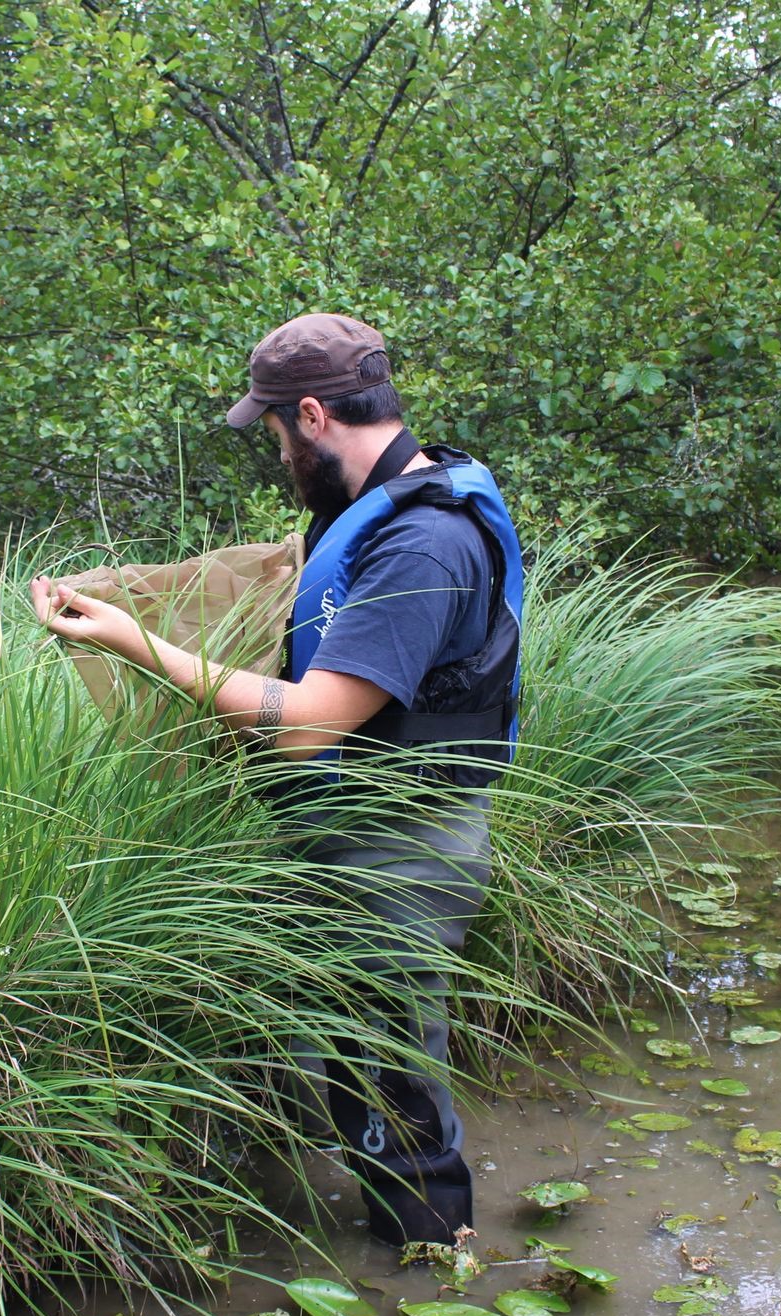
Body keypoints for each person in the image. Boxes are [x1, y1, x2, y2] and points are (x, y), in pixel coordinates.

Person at [28, 312, 523, 1247]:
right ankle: (344, 1219)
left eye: (274, 433)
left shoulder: (425, 544)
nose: (278, 455)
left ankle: (428, 1261)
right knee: (332, 1043)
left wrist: (136, 643)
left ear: (312, 415)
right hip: (352, 832)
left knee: (391, 1080)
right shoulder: (375, 506)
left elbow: (312, 721)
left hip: (402, 850)